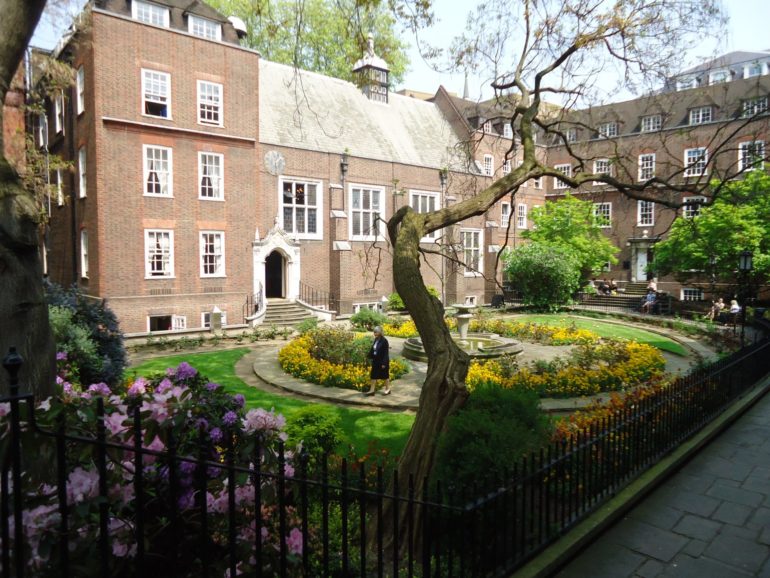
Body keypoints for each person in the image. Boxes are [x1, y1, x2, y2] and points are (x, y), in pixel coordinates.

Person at [365, 326, 390, 396]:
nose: (374, 333)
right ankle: (372, 390)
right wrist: (368, 356)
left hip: (382, 361)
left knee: (385, 376)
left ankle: (388, 389)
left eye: (376, 332)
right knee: (373, 375)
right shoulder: (376, 339)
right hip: (376, 360)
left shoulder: (384, 341)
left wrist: (384, 363)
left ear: (380, 332)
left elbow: (386, 353)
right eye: (374, 332)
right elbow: (373, 349)